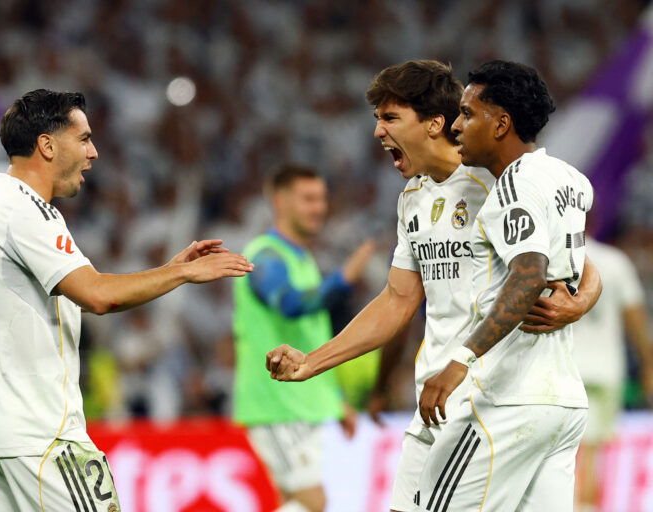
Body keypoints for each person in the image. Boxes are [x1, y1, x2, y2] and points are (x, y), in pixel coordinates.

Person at [265, 60, 601, 512]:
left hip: (491, 397)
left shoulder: (498, 177)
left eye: (390, 118)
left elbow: (571, 256)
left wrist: (580, 300)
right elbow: (398, 300)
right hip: (440, 401)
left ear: (434, 123)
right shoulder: (414, 198)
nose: (378, 132)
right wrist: (312, 362)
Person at [0, 89, 253, 511]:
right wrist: (180, 273)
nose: (93, 153)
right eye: (83, 139)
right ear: (47, 145)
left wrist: (166, 269)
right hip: (41, 433)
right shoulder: (27, 212)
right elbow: (97, 295)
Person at [413, 60, 597, 511]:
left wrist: (459, 361)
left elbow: (531, 272)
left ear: (501, 124)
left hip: (508, 400)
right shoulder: (570, 180)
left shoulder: (513, 186)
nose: (456, 126)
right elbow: (573, 262)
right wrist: (583, 299)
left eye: (468, 114)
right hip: (562, 402)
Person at [232, 163, 375, 512]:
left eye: (322, 199)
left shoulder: (302, 258)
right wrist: (342, 280)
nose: (318, 208)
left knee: (292, 501)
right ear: (279, 201)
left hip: (302, 403)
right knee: (312, 503)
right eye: (308, 198)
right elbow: (291, 305)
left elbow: (308, 337)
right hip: (277, 404)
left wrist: (335, 400)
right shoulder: (264, 256)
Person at [572, 236, 653, 512]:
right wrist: (648, 364)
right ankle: (585, 506)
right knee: (591, 451)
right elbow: (635, 318)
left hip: (564, 368)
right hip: (606, 370)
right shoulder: (615, 261)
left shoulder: (550, 254)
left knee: (564, 452)